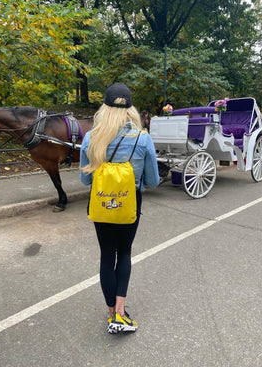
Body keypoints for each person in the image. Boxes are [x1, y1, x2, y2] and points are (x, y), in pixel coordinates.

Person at [80, 83, 160, 334]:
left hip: (102, 202)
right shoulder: (142, 138)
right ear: (131, 109)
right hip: (130, 203)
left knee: (107, 255)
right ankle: (120, 313)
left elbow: (85, 180)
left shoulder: (91, 138)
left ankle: (109, 311)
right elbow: (153, 181)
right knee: (124, 253)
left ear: (104, 108)